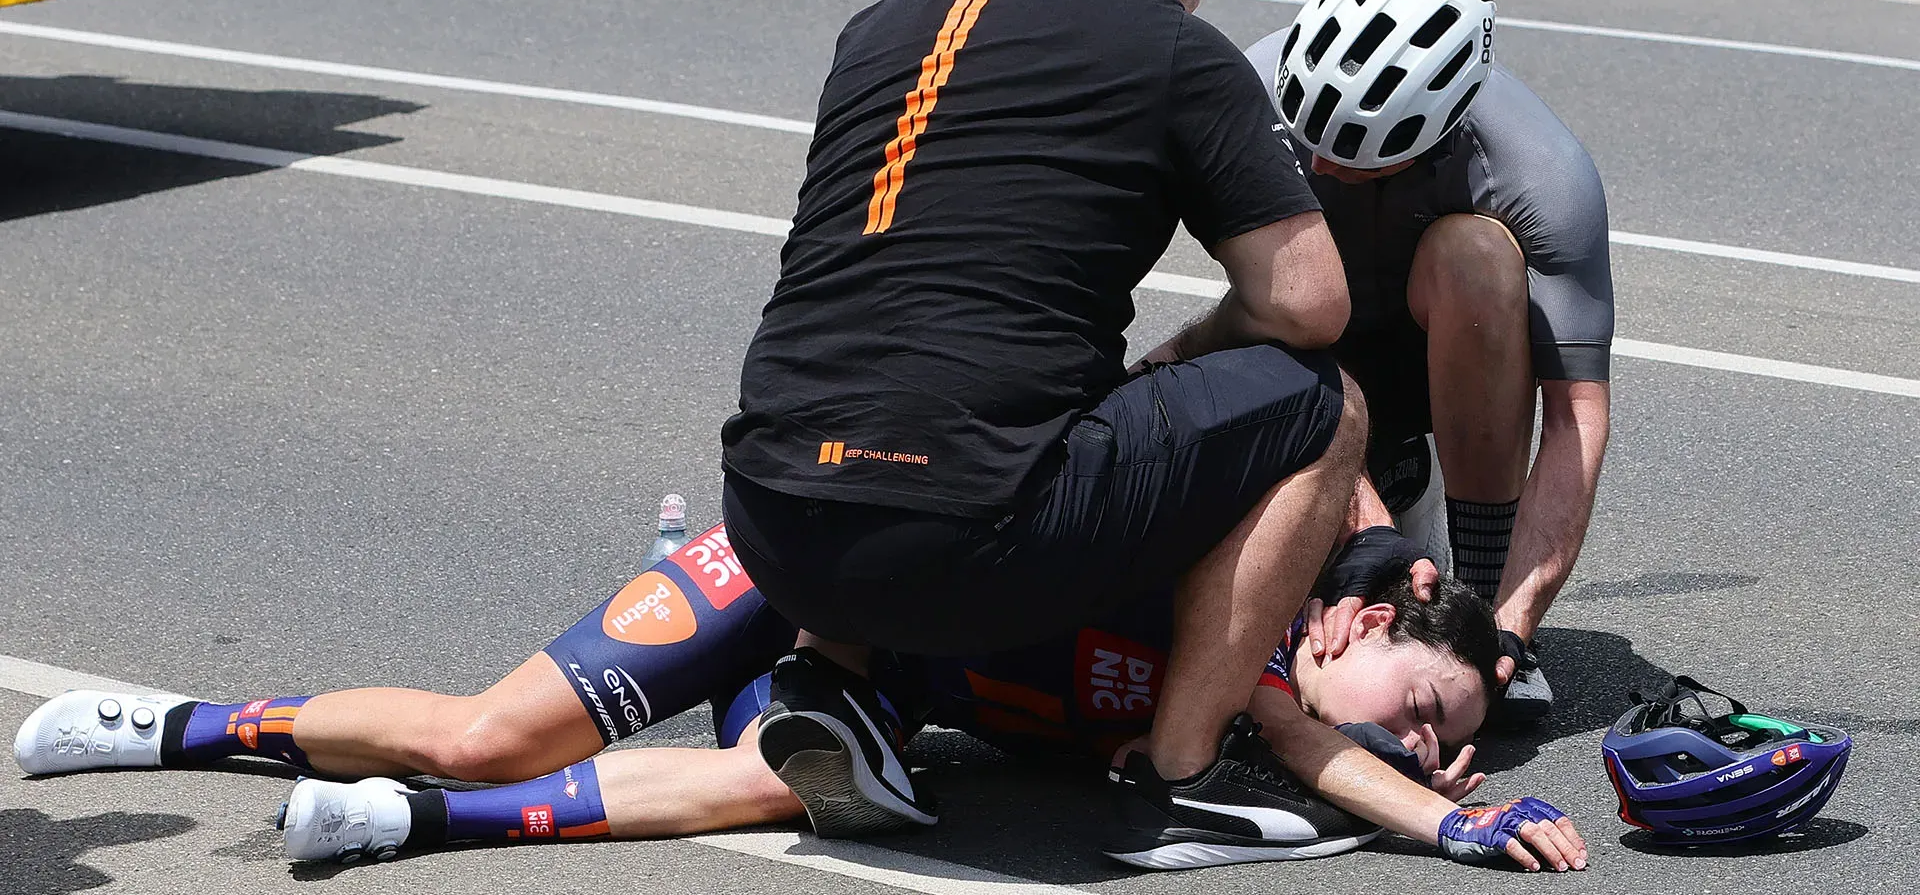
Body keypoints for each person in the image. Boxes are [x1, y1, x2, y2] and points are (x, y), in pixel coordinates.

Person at [717, 0, 1404, 861]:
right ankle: (1180, 781)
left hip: (773, 525)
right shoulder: (1174, 46)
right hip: (970, 541)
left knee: (886, 336)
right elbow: (1309, 305)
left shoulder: (879, 26)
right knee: (1327, 404)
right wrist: (1190, 350)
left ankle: (834, 682)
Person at [14, 520, 1585, 872]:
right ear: (1362, 617)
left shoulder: (1245, 711)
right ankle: (172, 726)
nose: (1417, 739)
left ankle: (406, 822)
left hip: (857, 691)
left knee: (798, 777)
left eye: (1437, 737)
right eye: (1424, 702)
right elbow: (1333, 751)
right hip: (787, 568)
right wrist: (1462, 822)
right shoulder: (1236, 598)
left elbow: (1316, 759)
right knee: (488, 720)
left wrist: (1438, 795)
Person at [1243, 0, 1615, 724]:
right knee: (1279, 266)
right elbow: (1243, 310)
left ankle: (1469, 590)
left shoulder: (1546, 177)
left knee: (1476, 255)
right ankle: (1386, 483)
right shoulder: (1246, 91)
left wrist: (1508, 624)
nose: (1324, 170)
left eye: (1357, 161)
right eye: (1312, 144)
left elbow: (1577, 421)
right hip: (1302, 360)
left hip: (1446, 363)